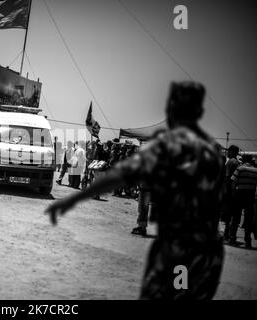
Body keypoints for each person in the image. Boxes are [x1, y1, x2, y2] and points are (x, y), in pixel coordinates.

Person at [46, 81, 225, 299]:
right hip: (209, 250)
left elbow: (119, 175)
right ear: (199, 111)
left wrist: (70, 201)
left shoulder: (167, 147)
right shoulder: (213, 153)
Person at [227, 154, 257, 247]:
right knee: (248, 219)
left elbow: (233, 182)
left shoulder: (240, 168)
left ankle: (232, 238)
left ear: (244, 159)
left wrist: (232, 194)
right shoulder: (256, 170)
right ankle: (248, 240)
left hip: (240, 194)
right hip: (251, 195)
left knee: (236, 217)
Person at [222, 145, 241, 240]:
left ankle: (227, 234)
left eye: (229, 151)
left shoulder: (230, 162)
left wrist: (225, 191)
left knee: (228, 214)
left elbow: (227, 178)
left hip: (230, 191)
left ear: (232, 152)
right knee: (234, 214)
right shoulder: (237, 162)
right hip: (236, 191)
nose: (227, 153)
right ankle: (230, 234)